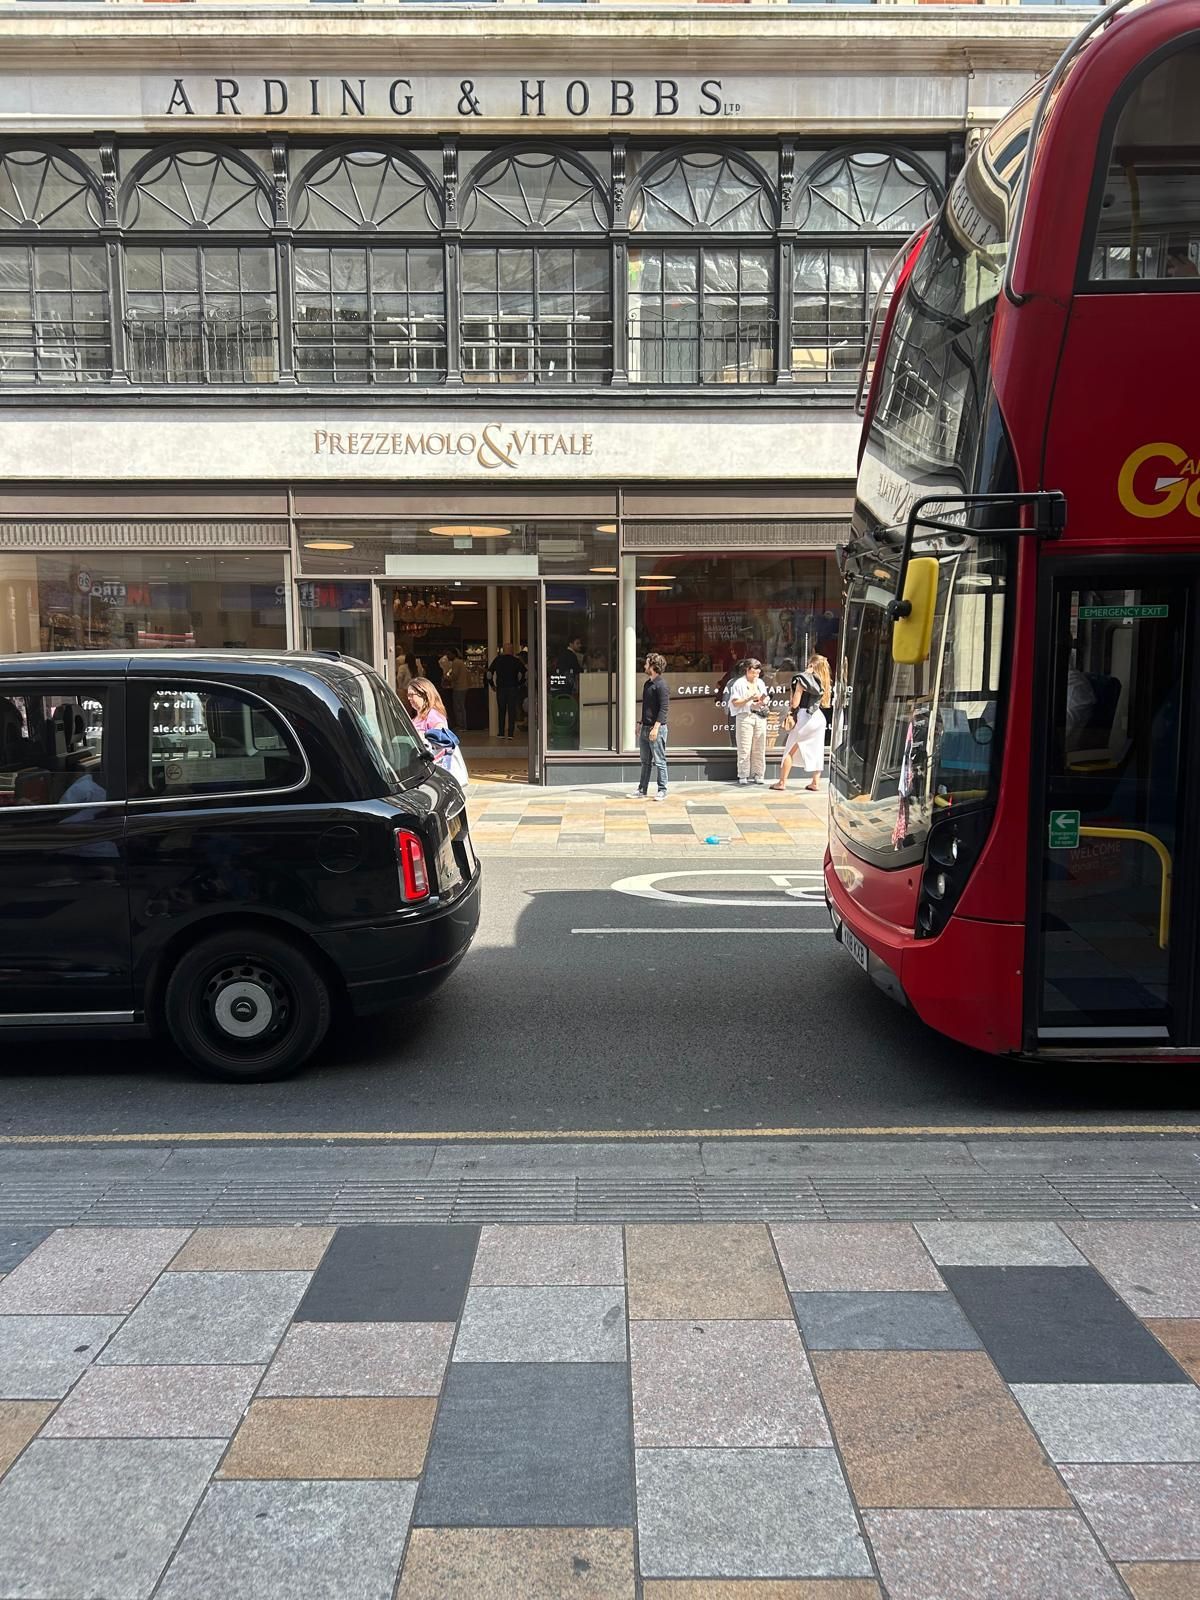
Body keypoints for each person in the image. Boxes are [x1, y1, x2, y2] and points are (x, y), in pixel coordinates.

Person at [771, 651, 832, 792]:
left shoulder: (802, 680)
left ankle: (782, 782)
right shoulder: (823, 681)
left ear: (811, 665)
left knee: (789, 750)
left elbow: (795, 703)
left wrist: (797, 688)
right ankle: (815, 783)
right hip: (818, 717)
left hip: (804, 717)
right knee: (817, 750)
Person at [405, 677, 468, 784]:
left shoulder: (433, 715)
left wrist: (421, 735)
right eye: (408, 695)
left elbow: (440, 737)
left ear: (424, 694)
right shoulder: (418, 716)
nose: (409, 698)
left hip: (432, 771)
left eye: (412, 695)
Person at [727, 657, 769, 784]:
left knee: (759, 746)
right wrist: (749, 699)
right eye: (753, 672)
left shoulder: (760, 683)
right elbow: (735, 702)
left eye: (758, 672)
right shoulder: (739, 683)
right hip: (745, 716)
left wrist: (763, 701)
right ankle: (743, 774)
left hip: (759, 715)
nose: (756, 675)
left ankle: (758, 773)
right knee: (744, 746)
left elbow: (765, 697)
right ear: (747, 670)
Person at [634, 652, 669, 802]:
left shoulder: (661, 685)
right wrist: (640, 723)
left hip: (656, 729)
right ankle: (642, 789)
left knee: (660, 760)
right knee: (645, 761)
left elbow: (663, 708)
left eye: (647, 663)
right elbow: (647, 707)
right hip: (645, 727)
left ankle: (662, 790)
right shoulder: (648, 683)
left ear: (653, 666)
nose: (644, 665)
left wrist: (655, 728)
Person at [487, 642, 525, 741]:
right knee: (511, 711)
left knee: (501, 710)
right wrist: (520, 683)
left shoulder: (498, 660)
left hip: (501, 688)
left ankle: (501, 732)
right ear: (512, 650)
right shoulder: (516, 661)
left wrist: (492, 685)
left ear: (503, 650)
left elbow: (489, 673)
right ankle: (511, 733)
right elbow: (525, 673)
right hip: (513, 688)